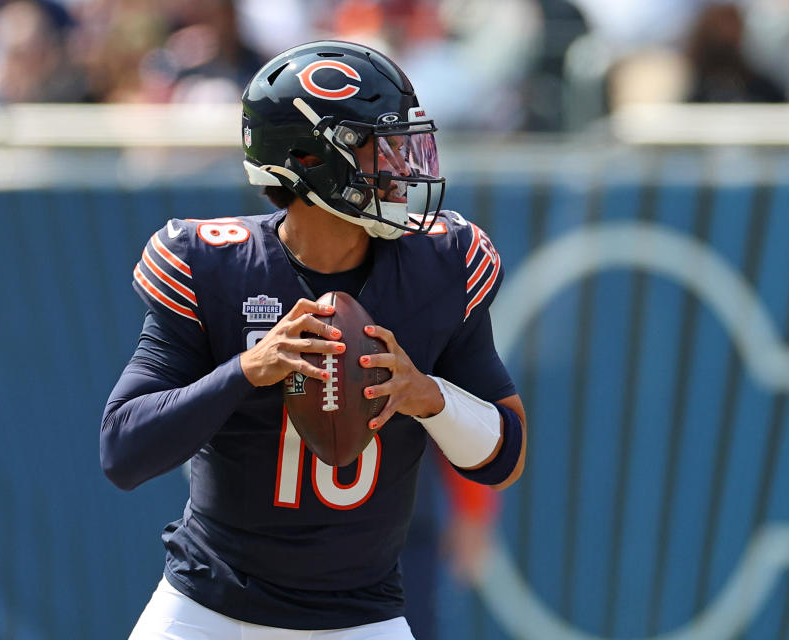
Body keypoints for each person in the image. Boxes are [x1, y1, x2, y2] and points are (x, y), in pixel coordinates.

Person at [100, 40, 526, 639]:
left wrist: (428, 396)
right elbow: (122, 451)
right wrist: (247, 369)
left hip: (362, 619)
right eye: (381, 148)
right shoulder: (216, 265)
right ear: (309, 158)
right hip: (205, 611)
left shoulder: (442, 263)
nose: (403, 168)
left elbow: (506, 457)